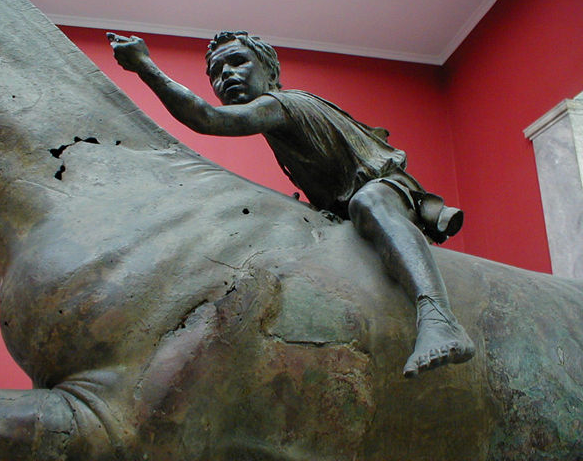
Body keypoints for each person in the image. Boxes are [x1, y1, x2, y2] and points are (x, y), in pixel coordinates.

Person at [107, 30, 474, 377]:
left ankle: (439, 317)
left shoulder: (282, 105)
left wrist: (145, 66)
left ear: (270, 72)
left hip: (383, 190)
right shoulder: (276, 121)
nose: (226, 75)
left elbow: (207, 118)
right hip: (345, 210)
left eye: (237, 62)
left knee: (368, 201)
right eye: (216, 72)